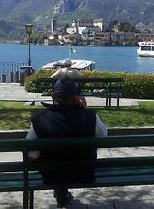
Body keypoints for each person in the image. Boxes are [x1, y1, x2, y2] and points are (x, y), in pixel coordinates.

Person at [26, 76, 107, 208]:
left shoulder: (39, 118)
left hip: (51, 176)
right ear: (75, 97)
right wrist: (84, 110)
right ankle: (62, 194)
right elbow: (103, 136)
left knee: (54, 161)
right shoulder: (90, 116)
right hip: (84, 174)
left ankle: (61, 194)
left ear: (53, 96)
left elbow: (29, 149)